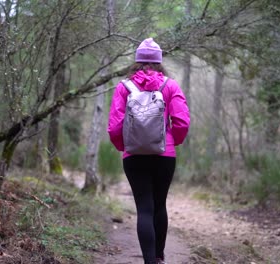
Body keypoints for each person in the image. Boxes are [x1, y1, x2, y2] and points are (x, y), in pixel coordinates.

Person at [107, 38, 190, 264]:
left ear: (137, 61)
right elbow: (182, 122)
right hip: (165, 155)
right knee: (159, 205)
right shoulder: (170, 86)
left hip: (134, 156)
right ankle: (159, 257)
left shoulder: (123, 87)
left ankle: (149, 262)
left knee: (144, 208)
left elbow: (115, 126)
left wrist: (124, 147)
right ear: (159, 62)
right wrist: (173, 141)